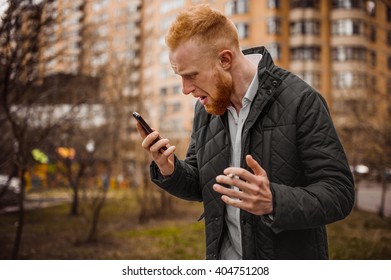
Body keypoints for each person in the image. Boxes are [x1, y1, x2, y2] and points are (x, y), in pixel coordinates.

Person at [136, 4, 355, 260]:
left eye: (192, 75)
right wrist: (169, 169)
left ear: (225, 59)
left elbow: (339, 193)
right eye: (180, 76)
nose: (185, 89)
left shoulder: (302, 101)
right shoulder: (206, 110)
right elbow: (202, 185)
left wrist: (274, 200)